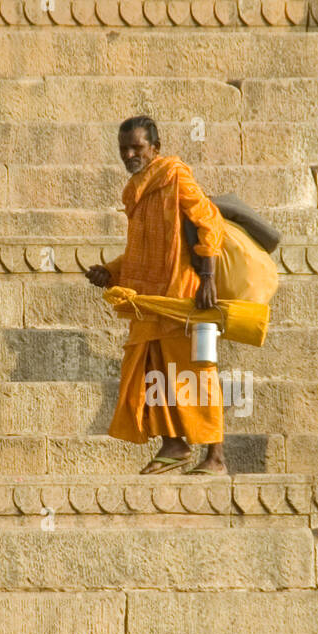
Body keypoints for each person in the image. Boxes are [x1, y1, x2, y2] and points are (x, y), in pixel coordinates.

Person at [85, 116, 228, 474]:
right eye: (124, 149)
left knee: (198, 373)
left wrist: (208, 276)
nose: (130, 154)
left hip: (186, 297)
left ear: (155, 148)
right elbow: (142, 251)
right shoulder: (134, 191)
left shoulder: (174, 175)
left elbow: (208, 221)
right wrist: (111, 272)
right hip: (150, 302)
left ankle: (216, 457)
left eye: (137, 147)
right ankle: (174, 444)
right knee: (156, 373)